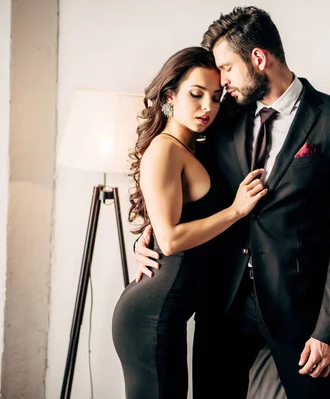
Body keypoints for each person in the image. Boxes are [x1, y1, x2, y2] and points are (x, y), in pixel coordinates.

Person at [135, 6, 330, 398]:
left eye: (226, 68)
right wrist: (150, 233)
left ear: (258, 59)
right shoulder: (224, 115)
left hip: (300, 309)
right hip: (221, 301)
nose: (221, 83)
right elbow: (188, 186)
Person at [111, 46, 268, 399]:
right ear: (170, 96)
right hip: (150, 315)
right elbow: (169, 240)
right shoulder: (165, 149)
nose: (208, 107)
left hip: (172, 313)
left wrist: (144, 241)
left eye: (215, 97)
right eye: (196, 95)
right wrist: (236, 210)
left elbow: (174, 224)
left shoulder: (194, 147)